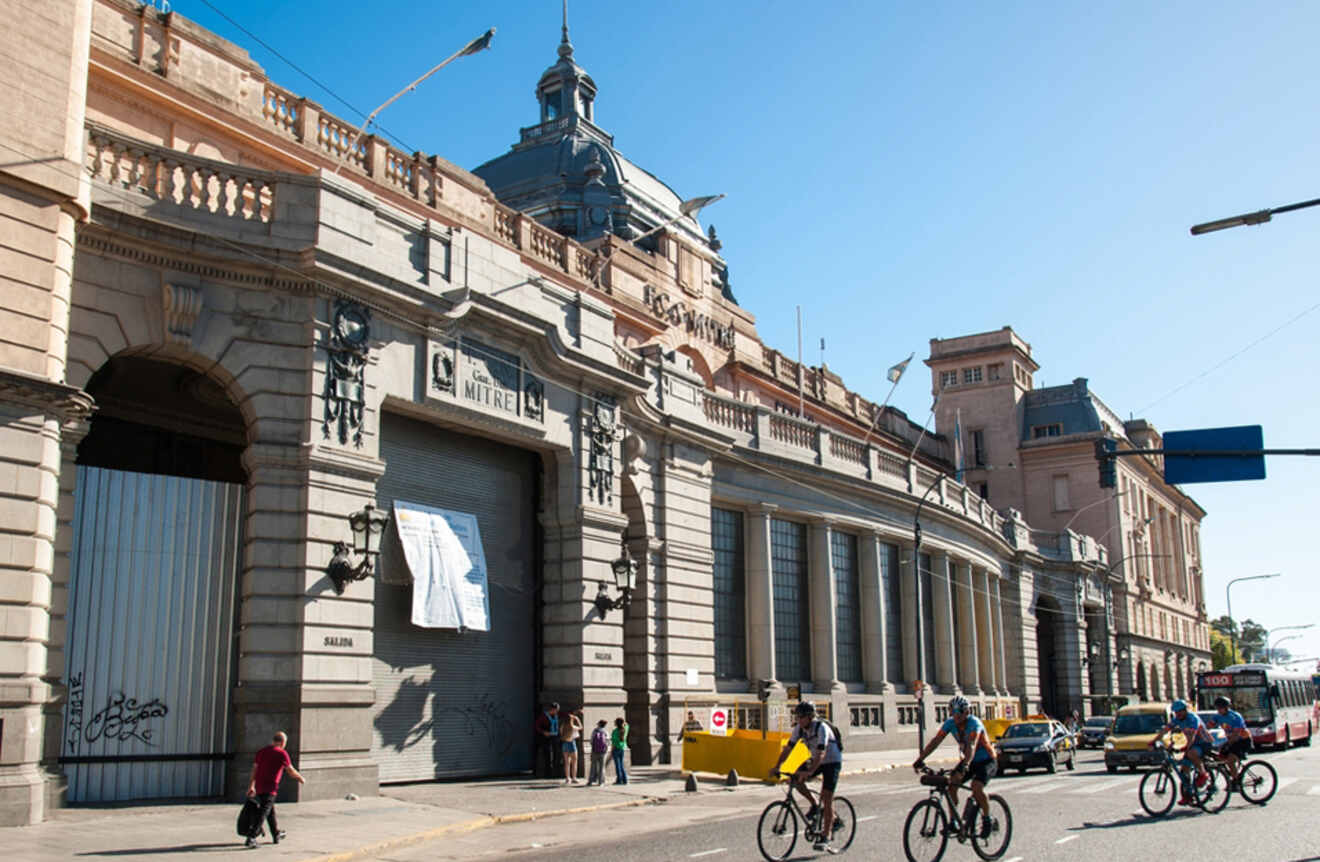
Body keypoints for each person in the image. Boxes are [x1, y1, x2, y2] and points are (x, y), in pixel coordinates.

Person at [913, 695, 998, 840]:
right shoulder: (950, 724)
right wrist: (920, 759)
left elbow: (971, 745)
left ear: (966, 712)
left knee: (976, 787)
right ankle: (953, 822)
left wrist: (964, 765)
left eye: (959, 712)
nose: (956, 716)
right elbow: (936, 741)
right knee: (951, 784)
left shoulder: (974, 723)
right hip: (968, 760)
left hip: (986, 760)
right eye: (953, 712)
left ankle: (987, 819)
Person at [768, 701, 843, 854]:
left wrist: (809, 772)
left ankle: (826, 836)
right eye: (797, 717)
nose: (799, 720)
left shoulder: (821, 728)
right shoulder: (799, 729)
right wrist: (777, 767)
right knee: (794, 779)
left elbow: (821, 753)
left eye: (801, 717)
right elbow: (788, 748)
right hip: (816, 760)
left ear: (810, 717)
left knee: (827, 797)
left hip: (832, 761)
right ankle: (815, 805)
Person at [244, 731, 306, 849]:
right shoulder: (282, 753)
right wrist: (301, 778)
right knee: (264, 812)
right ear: (282, 742)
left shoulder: (261, 752)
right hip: (270, 787)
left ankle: (275, 834)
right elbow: (290, 770)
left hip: (260, 786)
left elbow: (254, 770)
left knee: (269, 811)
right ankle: (251, 837)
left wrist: (252, 785)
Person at [1149, 698, 1214, 805]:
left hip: (1204, 743)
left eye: (1179, 711)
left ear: (1185, 710)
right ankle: (1188, 796)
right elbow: (1165, 730)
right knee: (1184, 769)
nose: (1177, 714)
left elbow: (1192, 736)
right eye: (1176, 712)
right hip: (1192, 744)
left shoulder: (1192, 718)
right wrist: (1153, 741)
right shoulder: (1177, 719)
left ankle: (1203, 774)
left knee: (1191, 753)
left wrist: (1185, 748)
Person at [1205, 695, 1252, 787]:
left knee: (1230, 760)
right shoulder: (1218, 717)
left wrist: (1227, 744)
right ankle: (1232, 773)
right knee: (1218, 757)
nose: (1218, 710)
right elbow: (1208, 726)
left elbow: (1236, 733)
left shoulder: (1235, 716)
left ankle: (1236, 782)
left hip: (1243, 740)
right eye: (1217, 708)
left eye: (1220, 708)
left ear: (1226, 708)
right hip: (1232, 740)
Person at [534, 702, 560, 779]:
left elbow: (564, 714)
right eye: (556, 710)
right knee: (548, 755)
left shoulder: (556, 715)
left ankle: (555, 773)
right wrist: (543, 732)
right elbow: (537, 725)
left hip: (555, 737)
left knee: (556, 754)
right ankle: (547, 773)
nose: (557, 711)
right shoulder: (544, 716)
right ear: (553, 709)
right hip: (546, 738)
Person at [560, 708, 583, 784]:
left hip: (565, 744)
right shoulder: (573, 727)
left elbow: (560, 733)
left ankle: (567, 778)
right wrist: (577, 718)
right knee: (574, 762)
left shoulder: (563, 726)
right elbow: (581, 727)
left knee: (567, 762)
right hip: (572, 743)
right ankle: (574, 777)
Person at [588, 719, 609, 786]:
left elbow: (591, 741)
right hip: (603, 752)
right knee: (602, 767)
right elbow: (608, 742)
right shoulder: (605, 732)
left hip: (594, 751)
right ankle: (601, 782)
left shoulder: (594, 731)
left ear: (599, 724)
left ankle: (590, 781)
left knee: (593, 766)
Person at [610, 716, 629, 784]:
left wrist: (611, 750)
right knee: (621, 764)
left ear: (616, 723)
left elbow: (613, 742)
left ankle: (619, 780)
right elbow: (626, 724)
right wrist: (623, 722)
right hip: (622, 748)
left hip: (616, 749)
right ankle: (625, 779)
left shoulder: (615, 731)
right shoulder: (625, 729)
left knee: (618, 765)